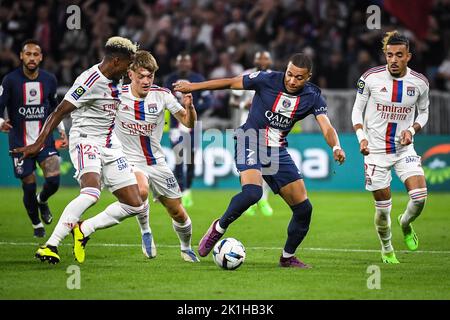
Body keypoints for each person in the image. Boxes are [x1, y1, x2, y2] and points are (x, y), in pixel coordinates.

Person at [174, 53, 346, 268]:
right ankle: (218, 227)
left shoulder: (313, 97)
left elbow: (326, 125)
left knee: (304, 210)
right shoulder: (267, 79)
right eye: (290, 74)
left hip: (277, 151)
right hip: (250, 140)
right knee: (253, 193)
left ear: (308, 77)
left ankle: (287, 257)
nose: (292, 81)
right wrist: (194, 86)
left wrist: (336, 146)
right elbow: (230, 82)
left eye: (299, 78)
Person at [13, 36, 146, 264]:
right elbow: (58, 112)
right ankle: (50, 245)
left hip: (110, 143)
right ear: (115, 61)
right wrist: (39, 142)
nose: (129, 69)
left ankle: (84, 229)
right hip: (86, 140)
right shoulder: (89, 81)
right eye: (127, 64)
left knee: (135, 204)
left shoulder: (116, 78)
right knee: (92, 194)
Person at [351, 31, 429, 264]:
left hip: (404, 150)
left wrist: (412, 130)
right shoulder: (370, 78)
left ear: (408, 57)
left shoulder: (420, 83)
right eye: (389, 55)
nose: (393, 60)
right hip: (375, 152)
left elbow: (424, 112)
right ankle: (386, 249)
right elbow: (356, 110)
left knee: (419, 197)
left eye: (398, 55)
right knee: (383, 210)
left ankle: (405, 223)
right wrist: (361, 137)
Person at [115, 50, 200, 262]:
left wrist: (190, 108)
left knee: (178, 212)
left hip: (157, 162)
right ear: (130, 74)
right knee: (140, 191)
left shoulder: (162, 95)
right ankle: (145, 231)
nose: (146, 81)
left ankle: (186, 247)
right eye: (141, 76)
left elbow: (189, 122)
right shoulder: (116, 95)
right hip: (130, 161)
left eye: (150, 76)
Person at [0, 39, 68, 238]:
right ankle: (36, 222)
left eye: (35, 54)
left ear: (41, 57)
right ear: (21, 56)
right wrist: (1, 122)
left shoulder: (49, 80)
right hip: (19, 143)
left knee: (54, 181)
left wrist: (61, 129)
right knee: (28, 185)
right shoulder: (10, 80)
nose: (31, 58)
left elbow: (56, 108)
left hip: (44, 139)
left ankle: (43, 200)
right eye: (28, 54)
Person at [229, 50, 274, 217]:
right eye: (259, 57)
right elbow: (232, 100)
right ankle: (250, 201)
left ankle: (263, 200)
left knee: (267, 166)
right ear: (254, 59)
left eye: (265, 58)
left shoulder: (276, 78)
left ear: (270, 61)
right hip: (246, 126)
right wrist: (243, 105)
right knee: (247, 166)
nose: (262, 60)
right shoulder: (246, 75)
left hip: (268, 127)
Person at [164, 53, 212, 208]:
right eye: (181, 61)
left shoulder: (198, 79)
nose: (184, 64)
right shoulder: (169, 80)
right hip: (176, 124)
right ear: (176, 64)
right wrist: (179, 110)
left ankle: (188, 189)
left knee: (191, 160)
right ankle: (182, 191)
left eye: (186, 61)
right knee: (179, 158)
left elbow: (209, 101)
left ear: (190, 63)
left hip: (194, 124)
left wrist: (192, 109)